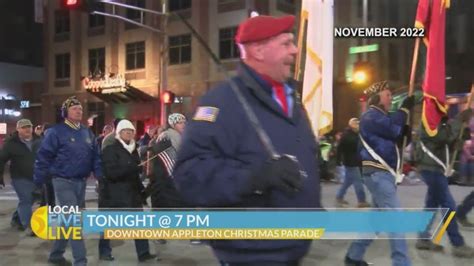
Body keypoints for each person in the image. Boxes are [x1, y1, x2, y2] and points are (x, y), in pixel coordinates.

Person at [173, 15, 321, 265]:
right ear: (259, 50)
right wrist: (255, 177)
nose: (295, 50)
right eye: (286, 43)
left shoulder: (292, 99)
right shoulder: (221, 102)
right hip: (251, 250)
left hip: (292, 245)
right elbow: (189, 174)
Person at [344, 81, 414, 266]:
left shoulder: (383, 117)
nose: (391, 98)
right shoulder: (370, 116)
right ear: (376, 98)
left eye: (391, 95)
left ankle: (353, 257)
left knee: (376, 221)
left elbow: (396, 140)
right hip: (378, 173)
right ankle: (401, 262)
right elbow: (392, 129)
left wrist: (405, 133)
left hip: (384, 173)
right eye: (388, 95)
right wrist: (404, 110)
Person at [34, 96, 102, 266]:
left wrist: (101, 176)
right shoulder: (56, 132)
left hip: (81, 183)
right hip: (62, 181)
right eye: (74, 109)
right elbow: (43, 157)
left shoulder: (87, 132)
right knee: (74, 222)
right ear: (65, 113)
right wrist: (38, 181)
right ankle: (81, 261)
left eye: (80, 108)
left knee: (67, 222)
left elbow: (95, 157)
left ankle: (56, 255)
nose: (79, 111)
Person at [414, 110, 474, 257]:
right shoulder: (429, 121)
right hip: (431, 168)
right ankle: (457, 244)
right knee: (449, 206)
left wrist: (459, 138)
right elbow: (442, 138)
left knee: (431, 204)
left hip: (437, 168)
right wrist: (459, 119)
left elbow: (448, 145)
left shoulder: (442, 122)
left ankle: (423, 238)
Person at [98, 119, 157, 262]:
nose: (129, 133)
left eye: (131, 131)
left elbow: (134, 174)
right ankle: (104, 251)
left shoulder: (134, 150)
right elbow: (111, 173)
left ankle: (143, 253)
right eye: (126, 131)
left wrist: (142, 190)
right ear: (119, 133)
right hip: (114, 193)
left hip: (132, 193)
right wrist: (131, 167)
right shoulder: (110, 149)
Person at [0, 119, 41, 235]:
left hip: (37, 177)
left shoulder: (39, 141)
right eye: (24, 127)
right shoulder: (11, 144)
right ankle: (29, 226)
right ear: (18, 129)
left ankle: (16, 219)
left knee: (31, 199)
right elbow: (1, 160)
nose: (27, 129)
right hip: (19, 177)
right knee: (26, 200)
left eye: (29, 126)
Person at [149, 113, 186, 209]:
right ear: (173, 124)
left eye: (184, 122)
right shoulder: (166, 139)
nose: (183, 125)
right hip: (166, 187)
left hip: (174, 187)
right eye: (179, 123)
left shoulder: (182, 139)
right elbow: (168, 167)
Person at [335, 118, 369, 208]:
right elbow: (340, 149)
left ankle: (339, 196)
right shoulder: (348, 136)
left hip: (354, 161)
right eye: (356, 124)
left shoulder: (355, 135)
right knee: (358, 182)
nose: (358, 126)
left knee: (348, 181)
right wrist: (338, 160)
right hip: (351, 162)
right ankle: (361, 201)